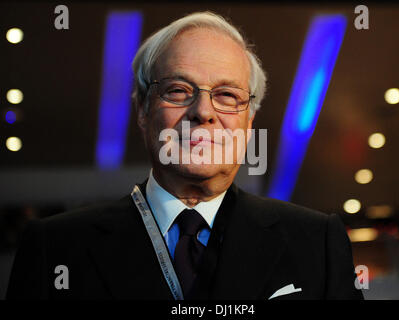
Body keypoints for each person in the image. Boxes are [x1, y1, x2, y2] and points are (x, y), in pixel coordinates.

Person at [6, 11, 363, 300]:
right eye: (179, 90)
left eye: (226, 95)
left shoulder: (317, 243)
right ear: (144, 110)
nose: (203, 111)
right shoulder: (54, 249)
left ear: (249, 120)